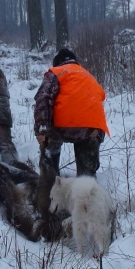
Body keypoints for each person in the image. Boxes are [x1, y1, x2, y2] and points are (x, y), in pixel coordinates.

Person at [33, 48, 109, 223]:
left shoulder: (56, 73)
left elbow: (43, 98)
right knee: (87, 177)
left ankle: (51, 203)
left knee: (50, 157)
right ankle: (88, 213)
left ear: (57, 63)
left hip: (63, 125)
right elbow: (100, 97)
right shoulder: (88, 75)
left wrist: (42, 130)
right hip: (92, 128)